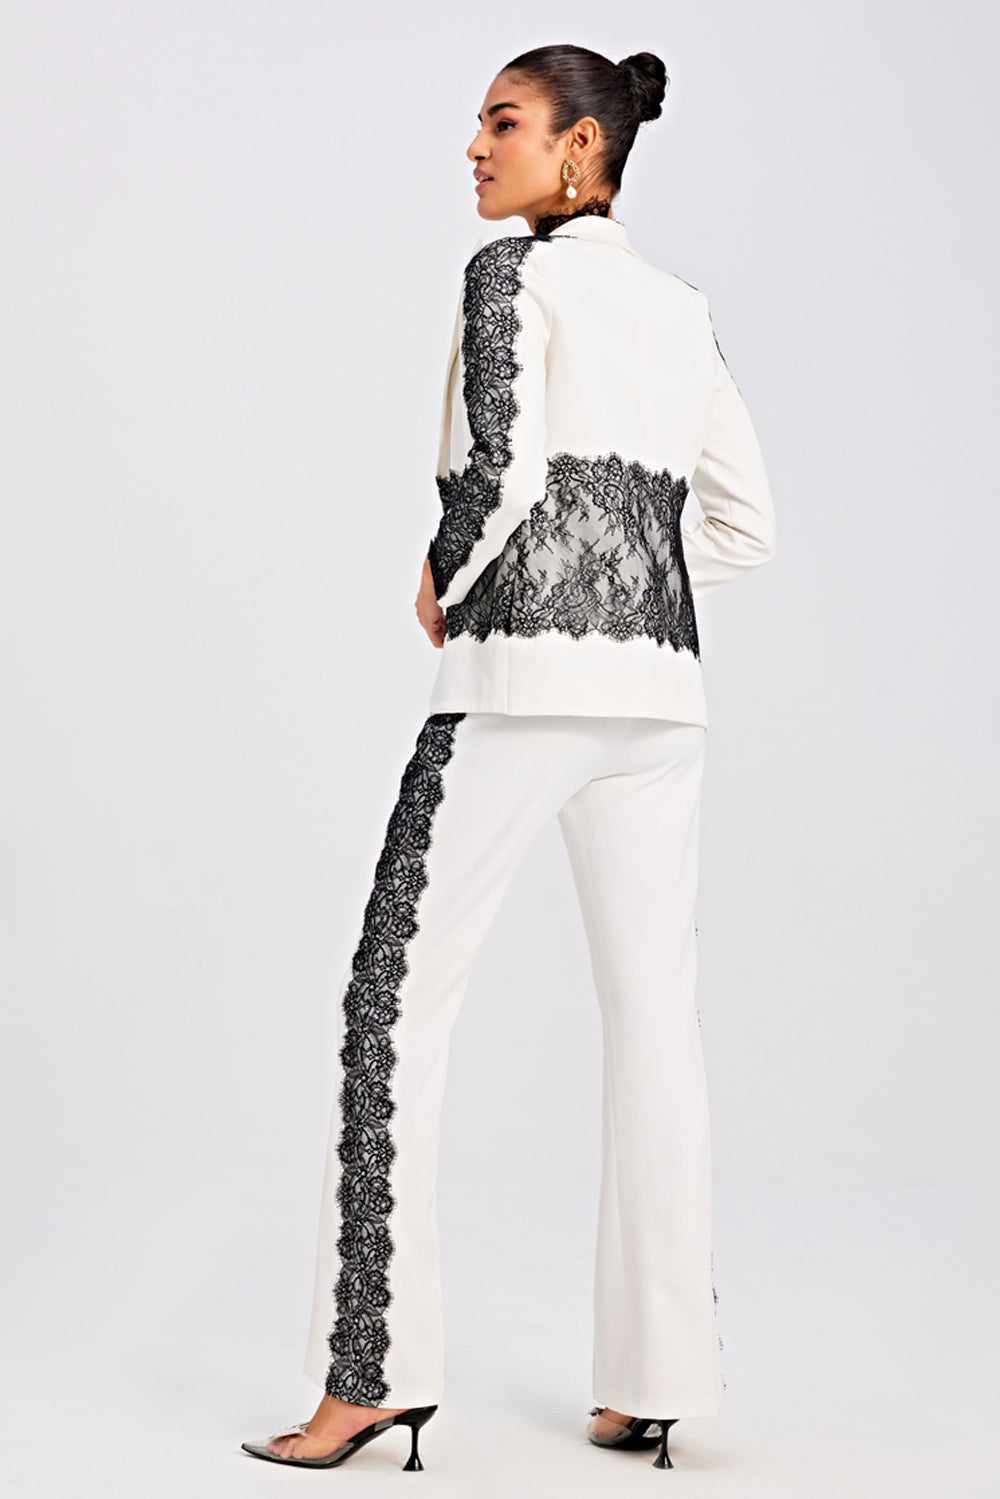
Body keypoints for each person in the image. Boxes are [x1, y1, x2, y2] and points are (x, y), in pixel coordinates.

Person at [241, 41, 776, 1474]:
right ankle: (657, 1380)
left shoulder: (509, 280)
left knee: (392, 1006)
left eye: (504, 123)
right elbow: (745, 523)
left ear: (581, 147)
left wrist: (450, 571)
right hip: (661, 706)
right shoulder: (683, 308)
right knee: (656, 1022)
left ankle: (372, 1376)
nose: (476, 150)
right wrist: (633, 593)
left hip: (518, 687)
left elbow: (503, 470)